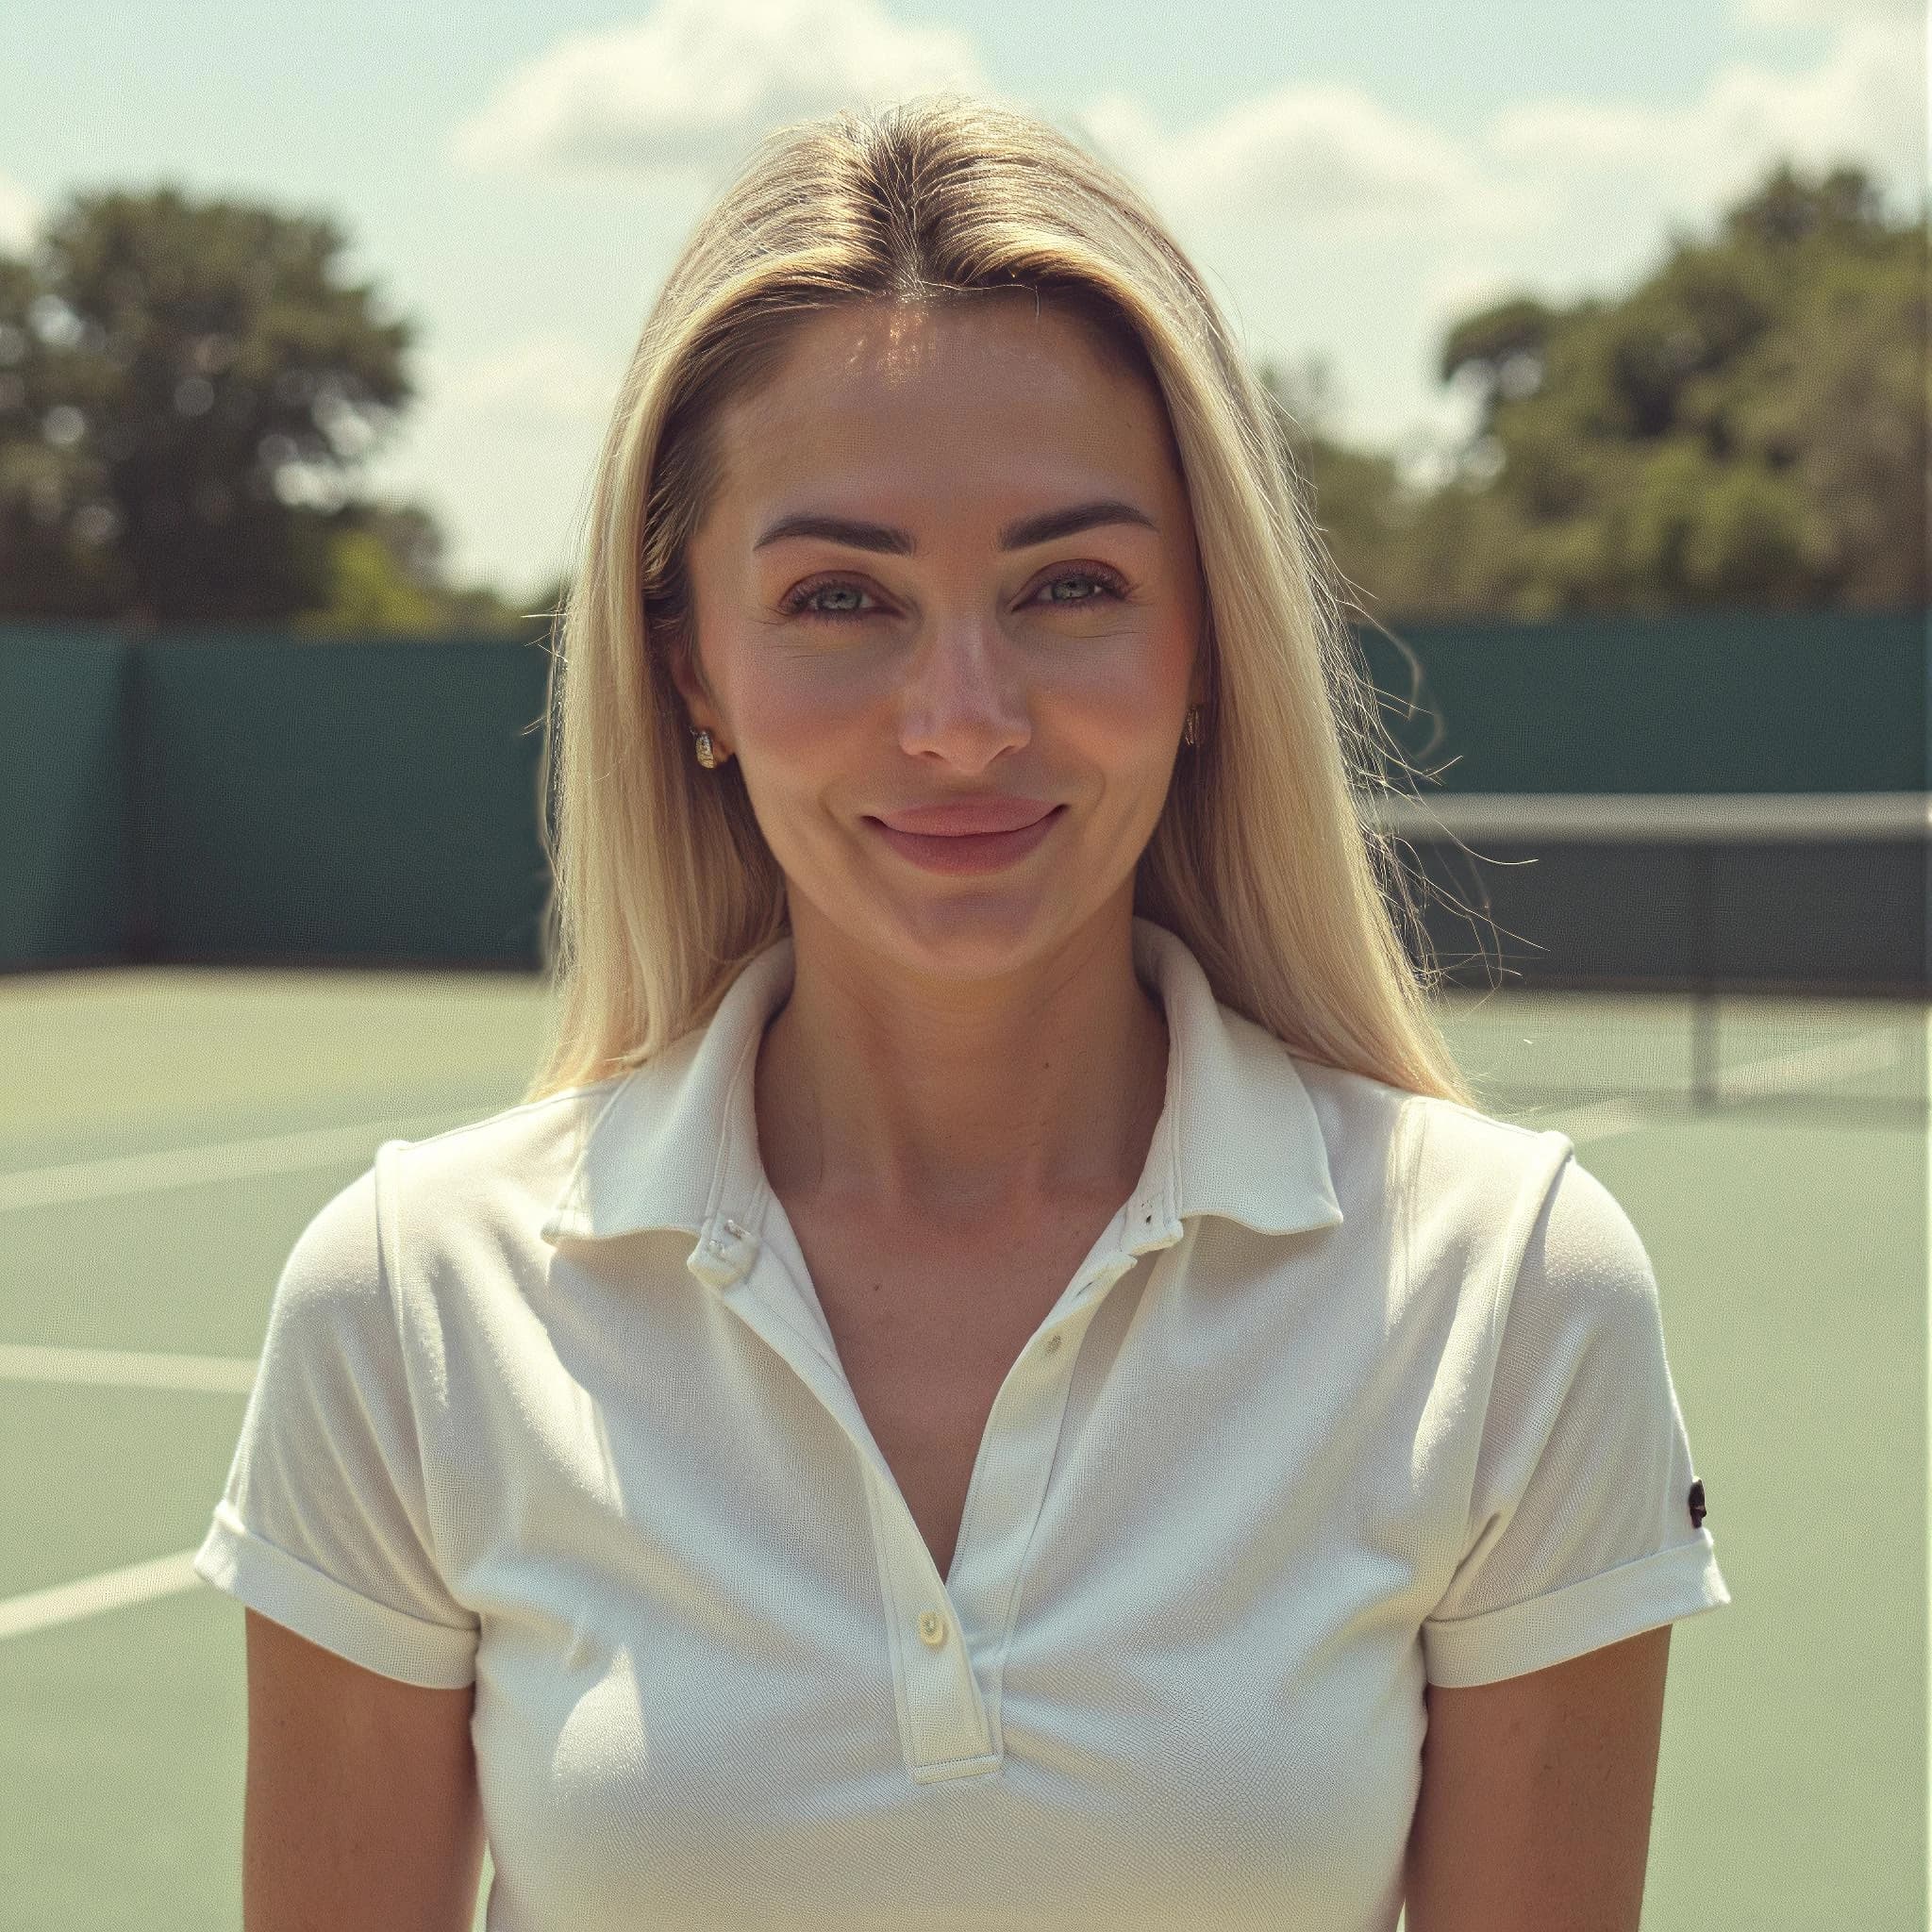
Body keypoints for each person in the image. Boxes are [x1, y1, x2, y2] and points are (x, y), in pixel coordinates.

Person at [194, 92, 1730, 1931]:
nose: (962, 718)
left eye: (1068, 585)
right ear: (689, 655)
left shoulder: (1510, 1291)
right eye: (841, 596)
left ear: (1203, 644)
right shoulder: (408, 1304)